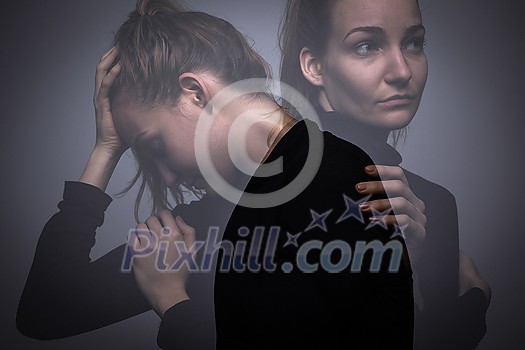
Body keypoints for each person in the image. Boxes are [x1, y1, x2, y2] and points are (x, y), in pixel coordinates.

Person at [17, 0, 415, 349]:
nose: (167, 179)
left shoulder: (340, 180)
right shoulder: (209, 224)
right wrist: (105, 149)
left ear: (195, 92)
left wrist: (171, 301)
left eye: (154, 146)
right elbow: (46, 311)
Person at [278, 0, 491, 348]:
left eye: (413, 43)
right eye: (366, 45)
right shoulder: (288, 183)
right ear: (314, 66)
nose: (401, 70)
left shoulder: (430, 202)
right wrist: (474, 305)